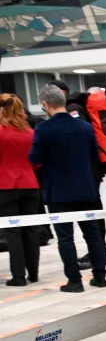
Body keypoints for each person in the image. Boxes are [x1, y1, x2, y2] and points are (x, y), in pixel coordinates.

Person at [29, 84, 106, 293]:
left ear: (46, 104)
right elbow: (93, 154)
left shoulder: (43, 129)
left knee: (65, 238)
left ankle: (74, 280)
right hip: (86, 188)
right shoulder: (85, 127)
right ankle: (100, 276)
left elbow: (34, 158)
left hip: (58, 192)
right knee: (93, 234)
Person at [0, 93, 40, 287]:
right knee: (31, 230)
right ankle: (33, 273)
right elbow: (37, 161)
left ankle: (18, 276)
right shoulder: (31, 133)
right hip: (30, 184)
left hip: (6, 185)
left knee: (13, 232)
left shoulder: (1, 132)